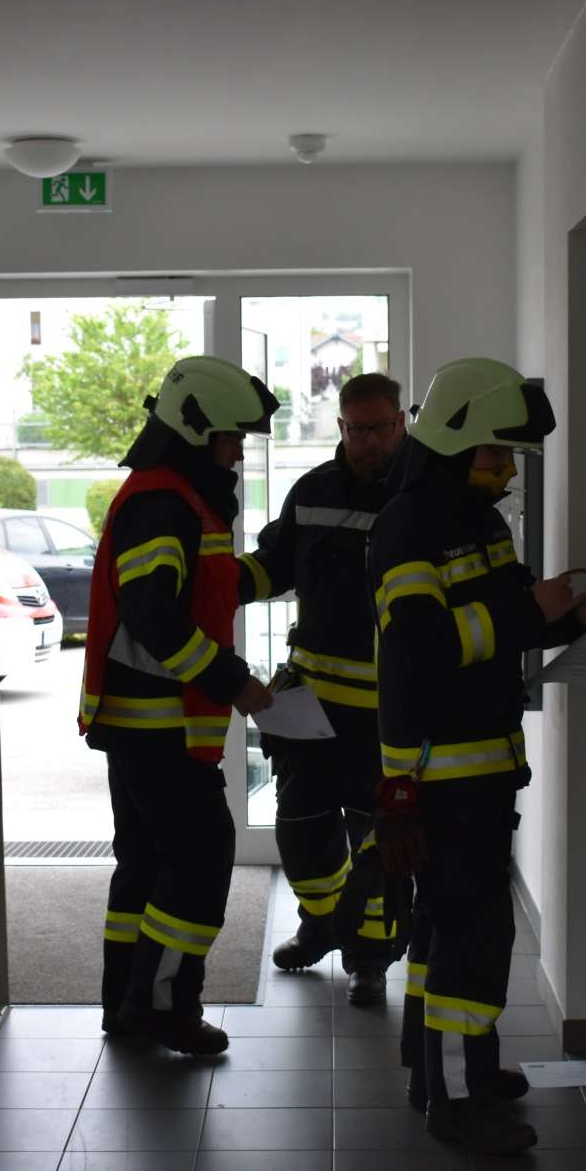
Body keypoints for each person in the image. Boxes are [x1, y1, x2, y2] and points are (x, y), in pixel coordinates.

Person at [370, 358, 586, 1153]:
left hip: (478, 764)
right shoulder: (407, 528)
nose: (507, 468)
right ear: (453, 442)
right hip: (441, 771)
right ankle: (459, 1099)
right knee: (475, 936)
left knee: (449, 927)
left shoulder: (479, 523)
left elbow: (510, 621)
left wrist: (572, 617)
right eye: (495, 452)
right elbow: (424, 645)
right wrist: (526, 609)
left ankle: (440, 1069)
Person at [80, 357, 279, 1055]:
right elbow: (154, 618)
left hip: (144, 728)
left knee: (146, 863)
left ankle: (126, 1005)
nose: (238, 452)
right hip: (157, 728)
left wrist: (287, 559)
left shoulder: (176, 498)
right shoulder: (163, 503)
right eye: (232, 438)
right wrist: (234, 682)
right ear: (197, 431)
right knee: (199, 858)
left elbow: (209, 587)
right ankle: (163, 1007)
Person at [240, 373, 411, 1005]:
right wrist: (221, 582)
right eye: (358, 429)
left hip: (387, 713)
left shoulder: (419, 495)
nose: (370, 441)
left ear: (401, 422)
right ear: (341, 427)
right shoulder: (311, 491)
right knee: (301, 828)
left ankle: (369, 958)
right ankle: (319, 927)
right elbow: (275, 565)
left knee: (377, 840)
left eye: (382, 427)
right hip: (310, 705)